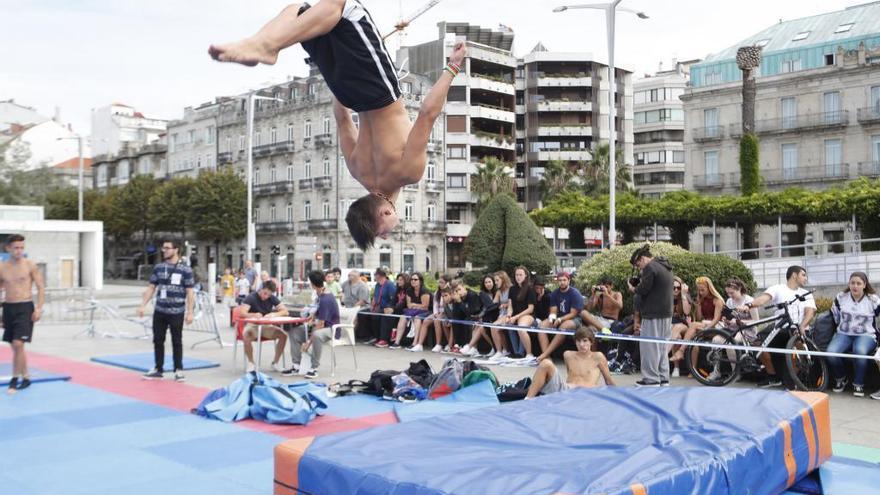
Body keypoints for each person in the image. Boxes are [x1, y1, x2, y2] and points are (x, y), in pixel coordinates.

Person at [208, 0, 467, 250]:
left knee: (342, 5)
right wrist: (335, 76)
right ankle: (263, 45)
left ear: (385, 212)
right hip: (345, 93)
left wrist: (453, 68)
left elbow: (427, 114)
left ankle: (265, 46)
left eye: (382, 232)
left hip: (377, 92)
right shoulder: (357, 170)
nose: (387, 236)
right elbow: (342, 120)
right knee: (298, 11)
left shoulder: (407, 173)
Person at [737, 265, 817, 388]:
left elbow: (810, 311)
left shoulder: (806, 293)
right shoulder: (778, 288)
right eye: (803, 275)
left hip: (798, 329)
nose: (806, 278)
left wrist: (802, 326)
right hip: (780, 327)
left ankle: (793, 381)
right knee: (758, 343)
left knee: (798, 347)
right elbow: (763, 299)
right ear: (794, 275)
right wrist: (748, 305)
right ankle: (772, 376)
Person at [138, 239, 195, 381]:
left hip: (177, 312)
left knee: (177, 341)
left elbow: (190, 292)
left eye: (167, 248)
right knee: (158, 340)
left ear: (176, 250)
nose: (164, 250)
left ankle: (178, 369)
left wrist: (190, 312)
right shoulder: (158, 267)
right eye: (163, 248)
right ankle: (158, 368)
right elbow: (151, 288)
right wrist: (143, 305)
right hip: (160, 311)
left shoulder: (185, 270)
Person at [0, 234, 45, 393]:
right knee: (16, 347)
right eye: (16, 248)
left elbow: (40, 288)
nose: (19, 251)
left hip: (25, 307)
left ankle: (14, 380)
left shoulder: (30, 265)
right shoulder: (2, 267)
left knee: (18, 344)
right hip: (8, 308)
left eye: (21, 248)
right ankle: (26, 377)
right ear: (8, 248)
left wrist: (38, 308)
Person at [827, 272, 880, 397]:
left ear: (864, 285)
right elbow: (835, 316)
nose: (855, 286)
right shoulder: (841, 297)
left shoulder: (873, 300)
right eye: (852, 283)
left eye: (858, 283)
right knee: (831, 352)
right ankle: (841, 378)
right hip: (844, 333)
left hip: (866, 334)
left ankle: (858, 383)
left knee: (860, 351)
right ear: (849, 284)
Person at [628, 245, 674, 387]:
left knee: (649, 347)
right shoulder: (665, 266)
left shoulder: (650, 267)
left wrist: (633, 288)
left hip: (653, 313)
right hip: (666, 313)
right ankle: (663, 377)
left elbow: (643, 289)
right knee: (661, 347)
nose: (640, 268)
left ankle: (651, 379)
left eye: (638, 264)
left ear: (642, 259)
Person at [526, 327, 615, 398]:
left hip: (586, 394)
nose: (581, 344)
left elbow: (609, 381)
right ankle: (528, 400)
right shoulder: (568, 355)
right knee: (546, 363)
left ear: (591, 342)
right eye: (578, 341)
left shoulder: (598, 357)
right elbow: (571, 376)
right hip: (566, 390)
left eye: (585, 340)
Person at [287, 270, 340, 379]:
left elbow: (320, 324)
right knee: (294, 332)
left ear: (312, 284)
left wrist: (308, 343)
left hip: (331, 329)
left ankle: (314, 368)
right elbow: (316, 313)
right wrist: (311, 316)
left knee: (317, 336)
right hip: (320, 325)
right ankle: (296, 365)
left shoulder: (326, 298)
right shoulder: (319, 294)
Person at [238, 280, 289, 372]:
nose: (266, 297)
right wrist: (253, 315)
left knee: (283, 335)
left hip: (266, 325)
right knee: (246, 335)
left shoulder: (272, 298)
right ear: (261, 289)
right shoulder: (251, 297)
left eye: (269, 295)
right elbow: (242, 313)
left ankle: (275, 363)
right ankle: (251, 363)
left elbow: (285, 311)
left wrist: (273, 315)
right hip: (252, 324)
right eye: (265, 293)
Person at [671, 276, 725, 363]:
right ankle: (692, 368)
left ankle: (681, 351)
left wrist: (705, 329)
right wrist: (699, 304)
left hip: (717, 327)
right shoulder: (702, 300)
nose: (700, 292)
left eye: (703, 290)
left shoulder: (717, 300)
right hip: (705, 326)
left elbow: (716, 320)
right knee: (692, 336)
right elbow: (699, 318)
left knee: (693, 325)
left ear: (709, 288)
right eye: (699, 290)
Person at [536, 272, 585, 362]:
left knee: (564, 327)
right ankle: (548, 358)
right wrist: (552, 318)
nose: (562, 282)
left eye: (564, 280)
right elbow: (553, 310)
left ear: (569, 281)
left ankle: (544, 354)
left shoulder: (575, 293)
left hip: (574, 320)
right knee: (541, 326)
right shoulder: (555, 293)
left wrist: (560, 319)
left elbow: (573, 313)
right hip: (559, 318)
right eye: (560, 280)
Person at [409, 274, 452, 352]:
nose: (440, 284)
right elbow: (435, 304)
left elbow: (447, 305)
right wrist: (435, 313)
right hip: (437, 312)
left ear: (447, 283)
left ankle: (439, 344)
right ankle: (419, 344)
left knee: (437, 320)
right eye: (439, 282)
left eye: (442, 282)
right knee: (426, 321)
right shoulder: (437, 292)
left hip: (445, 313)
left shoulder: (450, 292)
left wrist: (440, 314)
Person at [460, 275, 501, 357]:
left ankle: (469, 346)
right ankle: (474, 348)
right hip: (486, 316)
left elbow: (493, 307)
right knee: (477, 325)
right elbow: (483, 309)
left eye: (489, 282)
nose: (488, 284)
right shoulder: (483, 294)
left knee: (482, 327)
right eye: (486, 282)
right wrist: (480, 316)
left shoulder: (497, 292)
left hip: (496, 316)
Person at [502, 266, 537, 360]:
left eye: (520, 274)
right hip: (515, 315)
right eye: (517, 275)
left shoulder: (530, 289)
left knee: (521, 326)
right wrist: (509, 315)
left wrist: (516, 317)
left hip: (528, 316)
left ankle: (528, 353)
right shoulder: (512, 289)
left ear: (525, 275)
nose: (518, 277)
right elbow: (510, 306)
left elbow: (531, 309)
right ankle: (516, 352)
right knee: (509, 324)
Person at [390, 272, 431, 349]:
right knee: (402, 317)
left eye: (415, 279)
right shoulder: (409, 290)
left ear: (420, 281)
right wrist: (417, 305)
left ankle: (415, 343)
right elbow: (409, 305)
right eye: (412, 279)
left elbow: (425, 307)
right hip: (413, 311)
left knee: (417, 318)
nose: (413, 281)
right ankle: (397, 342)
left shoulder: (424, 291)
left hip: (427, 311)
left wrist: (414, 305)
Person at [368, 267, 397, 347]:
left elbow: (393, 299)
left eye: (375, 274)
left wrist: (388, 307)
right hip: (378, 307)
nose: (374, 276)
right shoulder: (377, 285)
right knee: (369, 314)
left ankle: (384, 340)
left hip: (388, 308)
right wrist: (372, 305)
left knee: (381, 315)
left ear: (380, 275)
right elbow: (375, 296)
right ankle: (376, 337)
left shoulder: (389, 285)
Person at [489, 271, 513, 358]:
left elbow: (513, 303)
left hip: (509, 314)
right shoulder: (499, 291)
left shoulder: (511, 289)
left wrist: (505, 305)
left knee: (494, 327)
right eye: (495, 280)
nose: (495, 283)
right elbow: (493, 304)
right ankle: (505, 350)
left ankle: (499, 351)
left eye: (497, 280)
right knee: (497, 329)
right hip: (501, 314)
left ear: (503, 279)